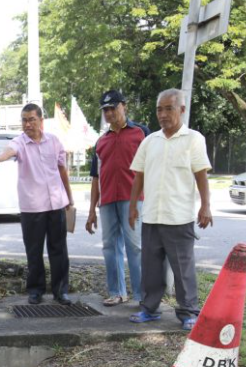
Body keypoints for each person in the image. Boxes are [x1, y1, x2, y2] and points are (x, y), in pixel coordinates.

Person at [127, 88, 213, 330]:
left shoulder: (193, 139)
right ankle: (150, 309)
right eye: (159, 109)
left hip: (179, 216)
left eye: (169, 109)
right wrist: (133, 206)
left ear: (182, 110)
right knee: (151, 268)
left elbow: (201, 175)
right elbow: (139, 177)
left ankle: (188, 312)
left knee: (183, 269)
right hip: (153, 215)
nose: (163, 114)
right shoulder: (149, 141)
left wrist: (205, 206)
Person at [0, 104, 75, 305]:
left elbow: (62, 170)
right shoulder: (20, 142)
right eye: (24, 120)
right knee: (34, 250)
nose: (27, 124)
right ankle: (35, 290)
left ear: (41, 121)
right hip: (32, 206)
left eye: (31, 119)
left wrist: (69, 198)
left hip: (56, 204)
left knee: (59, 250)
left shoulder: (53, 141)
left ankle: (61, 291)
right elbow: (9, 150)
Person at [85, 89, 150, 307]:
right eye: (105, 110)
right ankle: (116, 292)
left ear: (124, 106)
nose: (109, 113)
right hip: (107, 201)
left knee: (135, 247)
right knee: (109, 247)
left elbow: (151, 167)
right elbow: (96, 177)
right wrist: (92, 210)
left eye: (113, 108)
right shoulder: (101, 141)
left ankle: (142, 296)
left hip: (133, 199)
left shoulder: (141, 133)